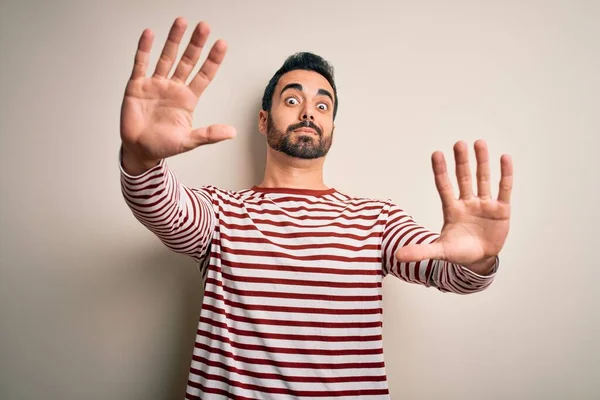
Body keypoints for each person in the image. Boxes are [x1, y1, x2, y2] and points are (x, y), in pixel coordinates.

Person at [119, 17, 513, 400]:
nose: (308, 112)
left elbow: (451, 273)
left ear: (332, 130)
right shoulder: (220, 213)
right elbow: (161, 206)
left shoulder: (377, 220)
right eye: (292, 100)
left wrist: (478, 260)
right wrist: (140, 159)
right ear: (263, 120)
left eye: (322, 107)